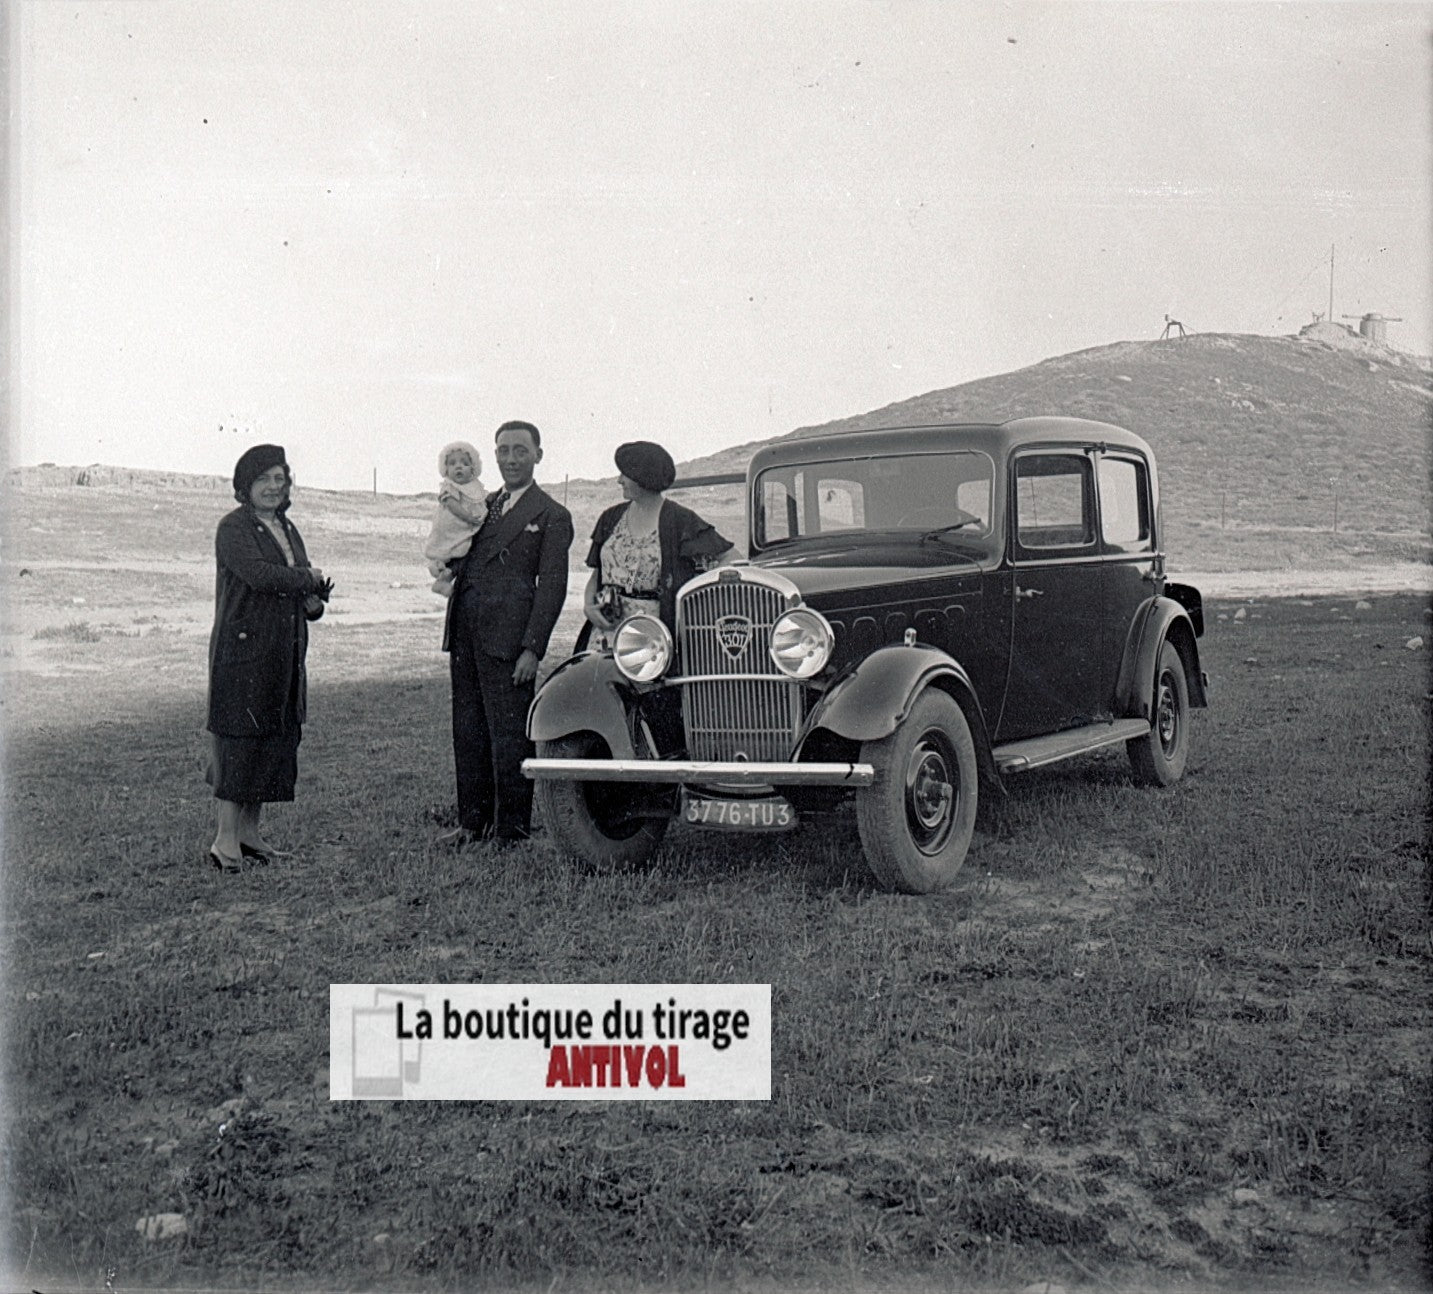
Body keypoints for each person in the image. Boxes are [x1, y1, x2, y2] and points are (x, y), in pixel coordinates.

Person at [441, 420, 574, 845]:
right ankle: (471, 823)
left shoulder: (552, 514)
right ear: (493, 455)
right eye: (503, 451)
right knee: (468, 730)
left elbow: (552, 586)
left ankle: (511, 831)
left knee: (509, 735)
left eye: (520, 450)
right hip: (465, 635)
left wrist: (532, 649)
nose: (511, 459)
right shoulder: (481, 504)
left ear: (538, 454)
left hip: (510, 642)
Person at [205, 444, 330, 872]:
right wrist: (305, 579)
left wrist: (313, 597)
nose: (274, 487)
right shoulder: (233, 528)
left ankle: (250, 836)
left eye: (280, 479)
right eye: (264, 479)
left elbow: (300, 579)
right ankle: (225, 842)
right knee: (240, 740)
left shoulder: (286, 527)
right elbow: (260, 575)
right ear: (246, 484)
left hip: (283, 652)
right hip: (243, 654)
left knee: (273, 740)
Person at [580, 440, 733, 650]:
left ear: (642, 477)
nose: (619, 480)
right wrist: (589, 607)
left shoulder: (680, 520)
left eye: (625, 474)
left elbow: (731, 559)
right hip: (604, 636)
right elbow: (597, 575)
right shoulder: (610, 518)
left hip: (654, 640)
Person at [423, 440, 488, 597]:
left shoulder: (475, 487)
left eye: (464, 463)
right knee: (448, 547)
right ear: (446, 469)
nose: (458, 466)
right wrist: (469, 518)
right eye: (452, 464)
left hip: (465, 525)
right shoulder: (449, 486)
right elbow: (452, 504)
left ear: (473, 468)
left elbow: (481, 501)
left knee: (461, 552)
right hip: (452, 524)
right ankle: (438, 569)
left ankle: (443, 580)